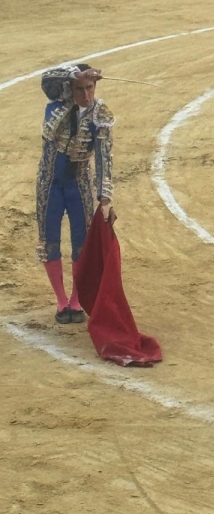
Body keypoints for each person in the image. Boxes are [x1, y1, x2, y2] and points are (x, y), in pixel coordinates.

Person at [37, 64, 115, 323]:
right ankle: (61, 301)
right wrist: (76, 73)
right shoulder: (56, 105)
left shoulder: (99, 114)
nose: (86, 94)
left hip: (78, 184)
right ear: (70, 88)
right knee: (50, 241)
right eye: (80, 88)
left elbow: (104, 158)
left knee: (81, 243)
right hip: (49, 184)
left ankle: (76, 300)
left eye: (90, 87)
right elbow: (47, 80)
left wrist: (105, 199)